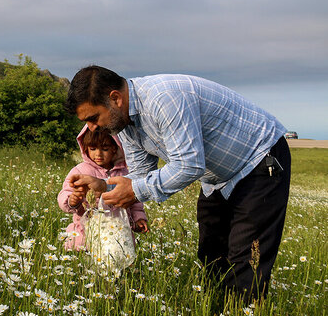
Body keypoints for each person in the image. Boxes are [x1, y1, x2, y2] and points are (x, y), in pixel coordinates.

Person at [65, 66, 290, 302]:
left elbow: (189, 165)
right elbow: (141, 173)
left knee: (247, 258)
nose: (91, 128)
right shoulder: (123, 124)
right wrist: (104, 186)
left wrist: (134, 190)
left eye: (93, 118)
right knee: (211, 252)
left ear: (115, 98)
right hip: (216, 177)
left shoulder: (165, 99)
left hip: (260, 160)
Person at [58, 127, 148, 251]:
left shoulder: (125, 173)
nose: (98, 154)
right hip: (86, 232)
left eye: (105, 149)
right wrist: (71, 201)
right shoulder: (80, 171)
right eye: (93, 149)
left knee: (118, 264)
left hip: (118, 234)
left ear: (115, 148)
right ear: (85, 148)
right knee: (86, 264)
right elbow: (66, 191)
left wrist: (139, 218)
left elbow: (134, 198)